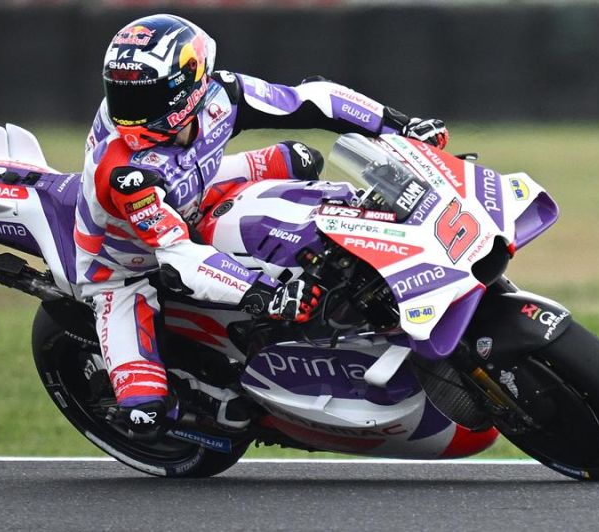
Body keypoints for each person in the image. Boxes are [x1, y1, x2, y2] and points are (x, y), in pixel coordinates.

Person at [75, 14, 450, 435]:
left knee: (300, 158)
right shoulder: (125, 172)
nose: (130, 114)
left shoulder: (221, 95)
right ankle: (212, 394)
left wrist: (401, 125)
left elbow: (311, 99)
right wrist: (264, 294)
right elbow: (178, 256)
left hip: (198, 188)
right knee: (145, 416)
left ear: (193, 81)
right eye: (122, 96)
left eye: (145, 97)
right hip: (126, 267)